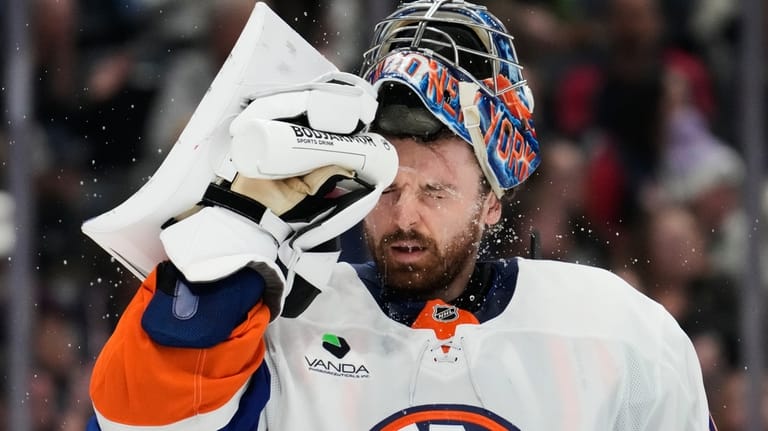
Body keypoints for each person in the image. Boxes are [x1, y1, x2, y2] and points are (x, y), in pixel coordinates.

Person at [85, 1, 716, 429]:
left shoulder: (621, 331)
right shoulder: (278, 325)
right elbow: (137, 421)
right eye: (385, 189)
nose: (405, 216)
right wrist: (220, 258)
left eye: (436, 192)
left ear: (493, 199)